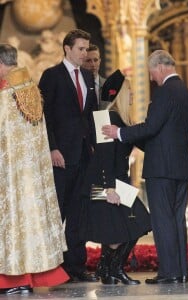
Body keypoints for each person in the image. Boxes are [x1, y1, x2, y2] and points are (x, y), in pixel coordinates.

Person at [102, 50, 188, 284]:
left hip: (161, 170)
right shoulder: (184, 92)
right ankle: (181, 271)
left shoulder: (165, 92)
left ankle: (169, 273)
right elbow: (164, 134)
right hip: (181, 166)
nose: (152, 77)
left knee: (163, 220)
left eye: (152, 72)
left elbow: (151, 127)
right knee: (176, 219)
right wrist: (133, 137)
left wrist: (120, 132)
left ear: (161, 67)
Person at [0, 43, 69, 295]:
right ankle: (28, 276)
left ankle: (14, 278)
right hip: (31, 174)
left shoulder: (7, 96)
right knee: (27, 222)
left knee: (13, 225)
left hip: (9, 175)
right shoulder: (30, 89)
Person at [81, 69, 151, 285]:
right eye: (129, 91)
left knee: (135, 223)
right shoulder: (107, 117)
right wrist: (109, 188)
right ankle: (114, 269)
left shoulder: (121, 119)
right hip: (106, 183)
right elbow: (103, 158)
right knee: (132, 225)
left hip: (120, 182)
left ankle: (107, 269)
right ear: (120, 93)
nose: (132, 96)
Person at [38, 29, 98, 282]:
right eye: (81, 49)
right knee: (58, 211)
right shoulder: (51, 76)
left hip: (84, 154)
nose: (85, 54)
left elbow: (91, 114)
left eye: (86, 49)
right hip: (60, 155)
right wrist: (52, 148)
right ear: (67, 48)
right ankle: (52, 269)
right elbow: (43, 117)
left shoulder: (87, 75)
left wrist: (96, 146)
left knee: (79, 212)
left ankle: (76, 267)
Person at [82, 44, 107, 109]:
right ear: (81, 62)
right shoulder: (76, 86)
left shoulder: (109, 85)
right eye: (88, 61)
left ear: (100, 61)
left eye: (95, 60)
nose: (93, 64)